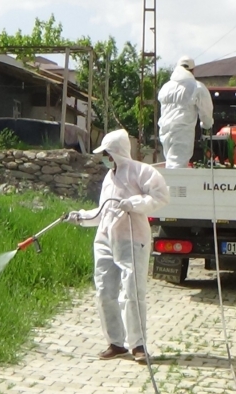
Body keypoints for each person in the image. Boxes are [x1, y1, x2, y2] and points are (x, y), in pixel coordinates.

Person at [65, 129, 170, 362]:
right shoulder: (108, 178)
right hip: (104, 239)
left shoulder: (141, 171)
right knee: (104, 291)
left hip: (132, 238)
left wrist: (134, 203)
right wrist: (80, 216)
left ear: (118, 152)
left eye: (108, 153)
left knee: (132, 291)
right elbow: (103, 212)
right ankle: (115, 342)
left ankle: (138, 344)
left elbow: (161, 197)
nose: (105, 158)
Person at [157, 55, 214, 168]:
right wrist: (207, 124)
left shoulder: (166, 87)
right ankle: (174, 186)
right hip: (182, 132)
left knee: (170, 163)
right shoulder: (196, 87)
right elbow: (206, 110)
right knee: (177, 166)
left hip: (164, 131)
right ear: (192, 70)